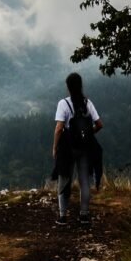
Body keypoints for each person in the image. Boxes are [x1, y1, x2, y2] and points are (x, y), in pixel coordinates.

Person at [52, 72, 104, 225]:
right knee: (84, 181)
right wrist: (87, 135)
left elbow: (59, 128)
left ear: (68, 87)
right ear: (81, 86)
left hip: (67, 149)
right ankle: (84, 215)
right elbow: (100, 124)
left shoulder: (64, 104)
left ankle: (62, 216)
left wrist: (55, 147)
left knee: (64, 179)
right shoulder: (88, 103)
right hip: (85, 148)